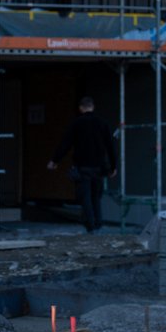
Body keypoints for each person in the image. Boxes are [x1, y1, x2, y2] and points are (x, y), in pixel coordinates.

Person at [46, 96, 117, 233]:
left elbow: (65, 144)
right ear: (93, 107)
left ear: (80, 108)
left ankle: (90, 225)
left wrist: (55, 160)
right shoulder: (102, 123)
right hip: (99, 167)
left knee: (85, 197)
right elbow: (110, 146)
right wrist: (114, 166)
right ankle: (98, 223)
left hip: (83, 166)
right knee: (96, 196)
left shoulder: (77, 124)